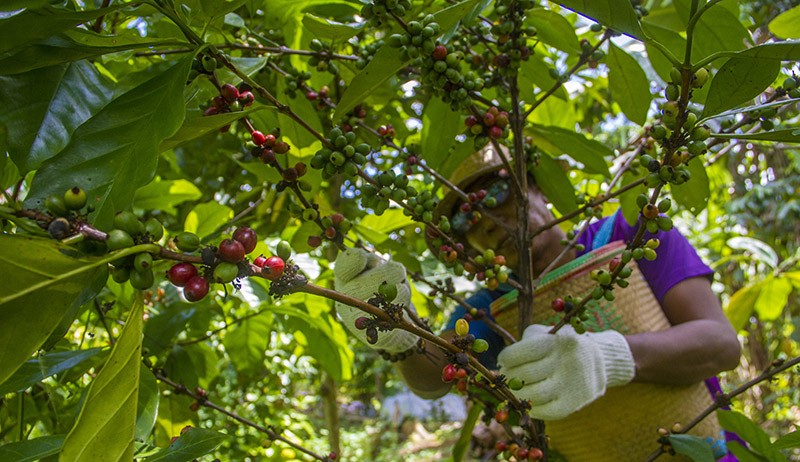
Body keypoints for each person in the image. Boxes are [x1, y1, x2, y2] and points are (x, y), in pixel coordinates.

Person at [333, 145, 741, 460]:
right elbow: (434, 374)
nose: (487, 221)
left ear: (536, 187)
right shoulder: (488, 308)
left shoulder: (633, 233)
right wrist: (398, 330)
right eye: (465, 220)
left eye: (496, 193)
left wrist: (609, 356)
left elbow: (720, 345)